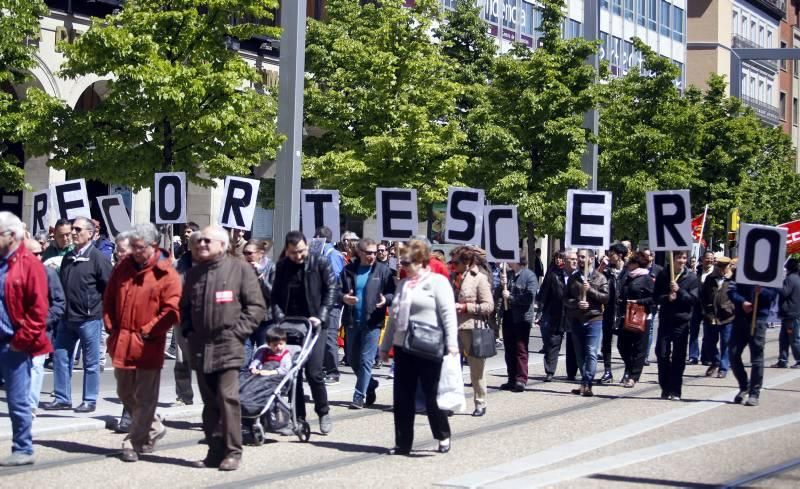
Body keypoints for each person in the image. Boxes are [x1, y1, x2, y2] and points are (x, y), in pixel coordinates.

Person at [181, 226, 265, 470]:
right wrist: (188, 332)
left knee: (227, 398)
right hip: (201, 348)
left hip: (229, 346)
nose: (201, 245)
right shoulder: (194, 274)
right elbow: (184, 308)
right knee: (210, 404)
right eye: (198, 242)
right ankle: (214, 451)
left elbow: (256, 307)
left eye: (207, 241)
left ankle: (233, 452)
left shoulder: (239, 269)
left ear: (222, 244)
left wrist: (237, 332)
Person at [103, 223, 181, 462]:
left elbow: (172, 310)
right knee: (125, 392)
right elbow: (109, 298)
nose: (135, 252)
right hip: (122, 340)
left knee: (145, 396)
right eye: (133, 247)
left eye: (139, 247)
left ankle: (133, 442)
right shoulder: (123, 268)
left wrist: (148, 331)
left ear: (152, 245)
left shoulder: (166, 273)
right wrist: (110, 323)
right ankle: (154, 426)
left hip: (148, 344)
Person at [379, 239, 458, 455]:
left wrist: (452, 343)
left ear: (420, 261)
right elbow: (394, 318)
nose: (403, 266)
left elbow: (448, 314)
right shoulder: (403, 285)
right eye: (402, 262)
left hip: (429, 345)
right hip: (404, 346)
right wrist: (385, 346)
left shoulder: (437, 283)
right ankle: (403, 443)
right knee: (402, 397)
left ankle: (442, 434)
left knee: (432, 396)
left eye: (407, 262)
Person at [44, 217, 112, 413]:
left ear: (90, 233)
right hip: (67, 318)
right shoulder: (68, 257)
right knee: (60, 357)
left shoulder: (98, 258)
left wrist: (102, 312)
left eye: (78, 229)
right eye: (72, 229)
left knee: (90, 363)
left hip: (89, 319)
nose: (73, 233)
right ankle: (62, 397)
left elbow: (110, 287)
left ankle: (89, 400)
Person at [271, 231, 336, 435]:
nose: (298, 256)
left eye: (301, 251)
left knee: (314, 372)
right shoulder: (282, 267)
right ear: (287, 251)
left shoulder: (321, 263)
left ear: (307, 247)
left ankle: (323, 412)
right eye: (293, 253)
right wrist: (279, 318)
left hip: (315, 324)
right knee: (293, 372)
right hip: (290, 325)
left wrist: (322, 316)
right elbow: (275, 297)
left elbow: (331, 289)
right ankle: (297, 417)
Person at [0, 212, 51, 466]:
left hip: (14, 343)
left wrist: (20, 341)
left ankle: (23, 447)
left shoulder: (29, 264)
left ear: (10, 236)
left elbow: (38, 309)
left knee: (17, 399)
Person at [341, 238, 395, 409]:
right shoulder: (349, 270)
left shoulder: (383, 270)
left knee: (366, 360)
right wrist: (344, 298)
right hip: (352, 321)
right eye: (369, 253)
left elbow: (392, 293)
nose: (373, 255)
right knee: (352, 359)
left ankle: (359, 395)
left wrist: (385, 300)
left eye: (375, 252)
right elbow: (336, 291)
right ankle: (370, 384)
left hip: (372, 322)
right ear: (360, 253)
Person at [451, 246, 494, 414]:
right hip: (453, 327)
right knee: (453, 368)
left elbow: (488, 306)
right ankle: (453, 402)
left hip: (472, 328)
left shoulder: (479, 278)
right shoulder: (451, 277)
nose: (453, 265)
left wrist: (466, 307)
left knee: (476, 370)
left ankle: (480, 401)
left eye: (456, 262)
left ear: (467, 262)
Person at [24, 239, 65, 415]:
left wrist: (43, 320)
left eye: (40, 253)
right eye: (34, 254)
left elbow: (59, 303)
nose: (39, 257)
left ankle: (30, 407)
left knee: (35, 366)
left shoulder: (48, 274)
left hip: (40, 332)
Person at [653, 251, 699, 401]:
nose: (682, 261)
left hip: (682, 321)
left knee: (679, 357)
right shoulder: (664, 275)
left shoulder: (691, 277)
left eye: (684, 258)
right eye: (678, 258)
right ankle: (665, 387)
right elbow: (656, 297)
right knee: (662, 353)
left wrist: (680, 292)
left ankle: (676, 390)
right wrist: (667, 297)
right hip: (666, 320)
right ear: (672, 259)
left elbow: (693, 300)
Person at [728, 279, 779, 406]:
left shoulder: (771, 274)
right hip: (740, 318)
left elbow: (774, 294)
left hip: (759, 319)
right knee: (733, 354)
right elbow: (731, 290)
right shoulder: (742, 270)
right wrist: (742, 302)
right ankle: (744, 386)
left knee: (757, 357)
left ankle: (754, 393)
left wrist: (762, 291)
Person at [564, 249, 608, 397]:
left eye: (583, 257)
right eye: (578, 257)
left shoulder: (600, 278)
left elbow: (605, 298)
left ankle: (587, 383)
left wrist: (590, 291)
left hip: (593, 319)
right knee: (580, 354)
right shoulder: (573, 278)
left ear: (590, 259)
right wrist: (577, 303)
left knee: (591, 352)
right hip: (576, 319)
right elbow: (565, 299)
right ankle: (584, 381)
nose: (580, 260)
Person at [616, 251, 655, 389]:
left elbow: (653, 299)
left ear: (637, 264)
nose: (628, 265)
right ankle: (630, 366)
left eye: (630, 262)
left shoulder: (647, 279)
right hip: (626, 316)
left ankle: (633, 377)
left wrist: (637, 301)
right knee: (622, 345)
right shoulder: (627, 277)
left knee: (639, 348)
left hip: (641, 316)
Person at [313, 226, 346, 386]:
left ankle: (333, 371)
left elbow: (336, 279)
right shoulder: (317, 253)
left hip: (331, 302)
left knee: (330, 336)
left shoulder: (333, 255)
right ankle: (324, 368)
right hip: (319, 301)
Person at [499, 256, 536, 393]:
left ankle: (521, 379)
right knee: (509, 349)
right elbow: (499, 294)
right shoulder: (507, 275)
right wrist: (501, 284)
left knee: (521, 349)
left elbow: (529, 298)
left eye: (510, 259)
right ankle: (511, 378)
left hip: (522, 318)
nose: (507, 262)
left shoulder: (529, 276)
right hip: (508, 316)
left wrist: (511, 297)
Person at [172, 231, 199, 407]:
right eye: (192, 243)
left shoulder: (215, 264)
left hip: (206, 320)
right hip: (182, 317)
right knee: (182, 360)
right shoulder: (180, 264)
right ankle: (184, 395)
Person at [542, 250, 578, 382]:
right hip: (556, 314)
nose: (574, 262)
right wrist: (542, 312)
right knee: (553, 343)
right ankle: (550, 371)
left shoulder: (579, 277)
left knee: (573, 345)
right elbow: (545, 295)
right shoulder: (554, 275)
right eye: (570, 260)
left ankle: (572, 372)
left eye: (575, 260)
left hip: (573, 315)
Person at [241, 239, 275, 369]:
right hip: (246, 320)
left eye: (249, 253)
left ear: (260, 253)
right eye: (244, 253)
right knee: (243, 361)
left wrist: (261, 276)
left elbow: (274, 295)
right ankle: (242, 388)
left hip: (266, 321)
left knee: (265, 361)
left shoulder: (271, 268)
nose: (246, 256)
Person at [701, 255, 735, 377]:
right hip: (711, 316)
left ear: (729, 266)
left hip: (727, 316)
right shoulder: (710, 279)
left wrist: (731, 309)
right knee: (709, 342)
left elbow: (738, 296)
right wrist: (705, 310)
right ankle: (716, 361)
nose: (721, 269)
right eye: (719, 266)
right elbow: (703, 295)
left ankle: (723, 368)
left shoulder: (733, 279)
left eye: (724, 266)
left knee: (726, 342)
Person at [599, 244, 628, 384]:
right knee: (606, 343)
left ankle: (628, 370)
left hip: (623, 312)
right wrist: (601, 268)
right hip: (609, 311)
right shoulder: (607, 271)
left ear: (620, 255)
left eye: (612, 254)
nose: (609, 256)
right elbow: (595, 282)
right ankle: (607, 371)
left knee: (623, 344)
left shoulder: (628, 271)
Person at [689, 251, 715, 365]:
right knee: (693, 332)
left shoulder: (716, 273)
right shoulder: (696, 272)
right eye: (707, 258)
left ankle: (706, 356)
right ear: (703, 259)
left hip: (709, 307)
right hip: (696, 306)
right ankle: (693, 356)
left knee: (708, 333)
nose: (709, 260)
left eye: (711, 258)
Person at [775, 258, 800, 368]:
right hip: (790, 313)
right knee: (784, 339)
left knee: (793, 339)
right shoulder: (796, 278)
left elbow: (784, 292)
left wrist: (778, 285)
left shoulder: (790, 279)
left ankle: (798, 360)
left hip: (790, 313)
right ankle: (782, 360)